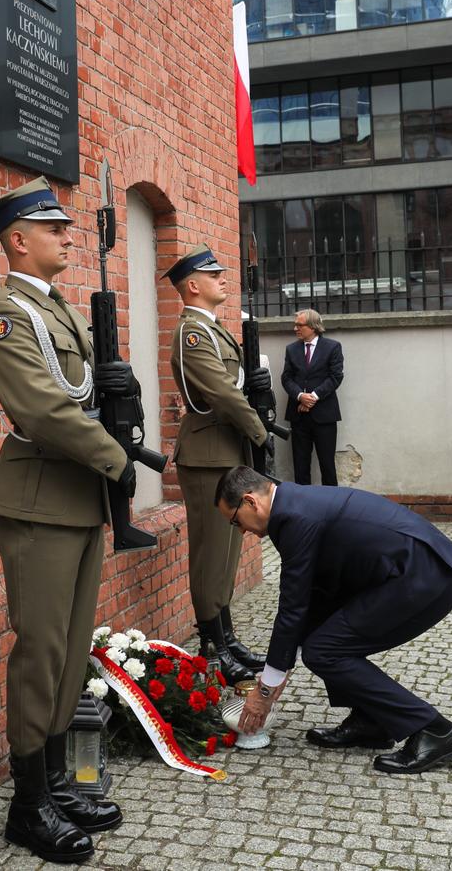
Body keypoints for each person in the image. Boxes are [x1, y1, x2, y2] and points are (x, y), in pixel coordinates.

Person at [0, 177, 133, 862]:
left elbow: (85, 393)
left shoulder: (60, 307)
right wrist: (116, 458)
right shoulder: (7, 313)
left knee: (71, 649)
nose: (69, 236)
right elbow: (43, 409)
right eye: (53, 228)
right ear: (18, 239)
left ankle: (59, 780)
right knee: (40, 650)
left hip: (75, 498)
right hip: (40, 496)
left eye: (67, 227)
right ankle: (27, 803)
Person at [215, 466, 452, 774]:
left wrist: (265, 689)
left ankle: (435, 730)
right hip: (403, 574)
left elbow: (293, 605)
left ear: (251, 502)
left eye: (234, 520)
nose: (240, 531)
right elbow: (314, 594)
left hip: (424, 579)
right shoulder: (292, 507)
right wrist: (281, 667)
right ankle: (371, 721)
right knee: (323, 636)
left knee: (325, 650)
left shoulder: (295, 518)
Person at [165, 244, 273, 684]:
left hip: (226, 454)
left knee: (228, 554)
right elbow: (224, 394)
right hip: (209, 456)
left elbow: (238, 385)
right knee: (211, 554)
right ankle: (212, 645)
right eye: (213, 275)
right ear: (192, 285)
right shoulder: (193, 334)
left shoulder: (215, 330)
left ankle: (226, 637)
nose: (223, 279)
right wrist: (259, 431)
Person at [281, 309, 344, 486]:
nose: (295, 328)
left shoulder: (332, 347)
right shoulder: (291, 349)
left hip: (324, 416)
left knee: (327, 466)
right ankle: (303, 507)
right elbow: (286, 378)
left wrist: (313, 397)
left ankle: (332, 505)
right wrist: (300, 396)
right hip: (299, 416)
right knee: (300, 466)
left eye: (299, 325)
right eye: (295, 325)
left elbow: (335, 377)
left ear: (313, 327)